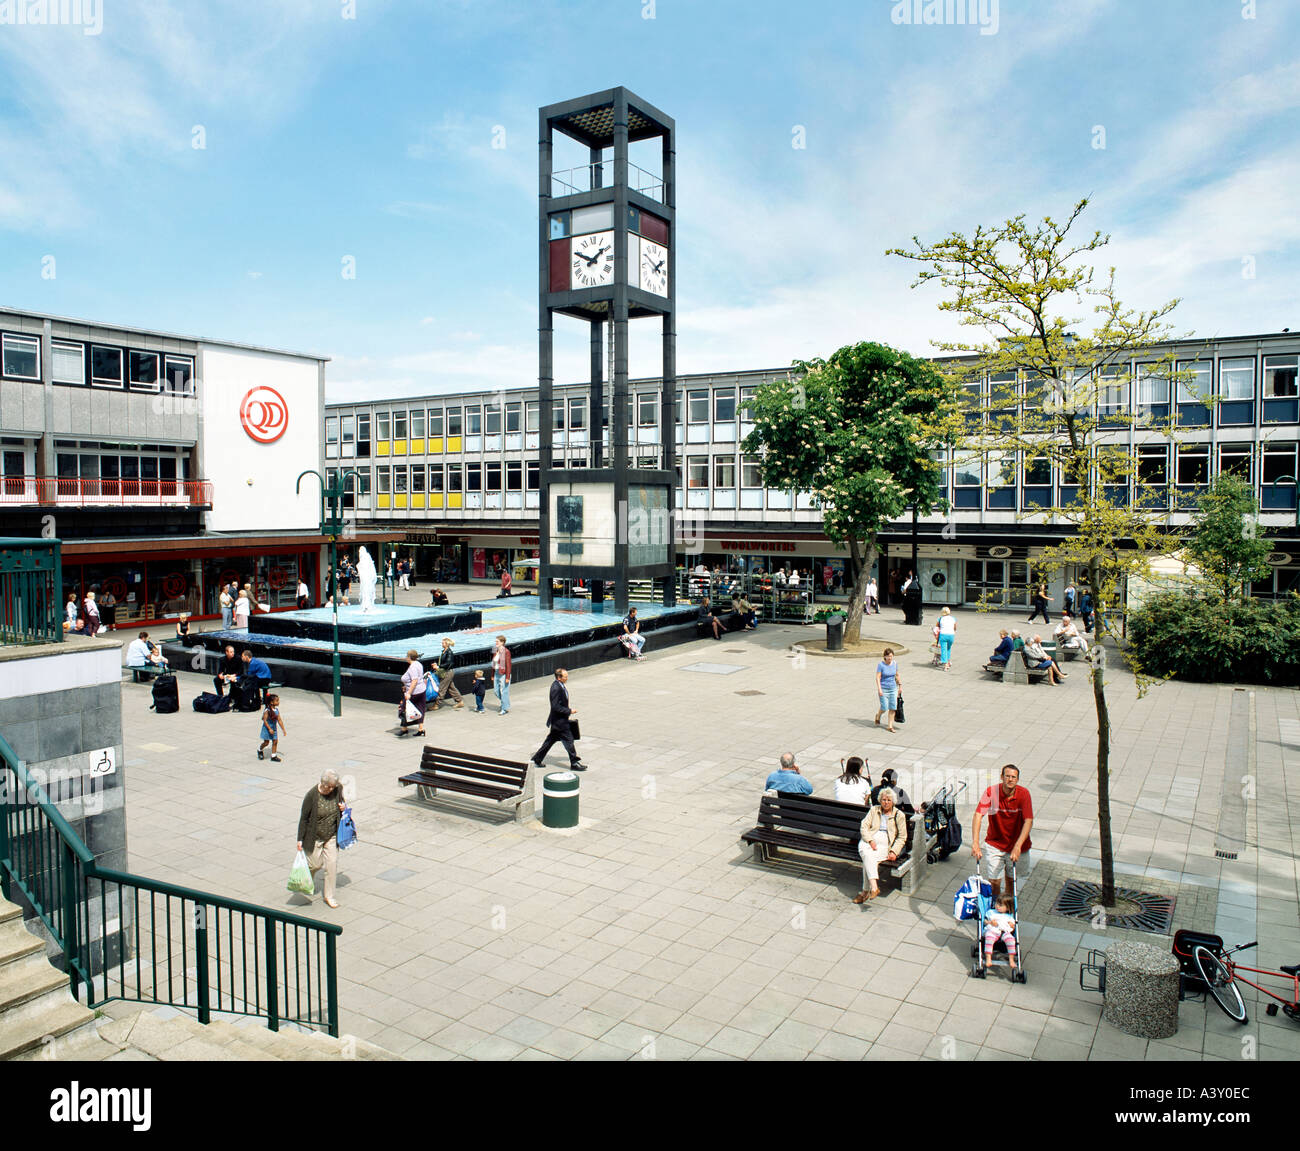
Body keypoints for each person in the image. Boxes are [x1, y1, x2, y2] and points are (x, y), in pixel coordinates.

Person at [972, 764, 1034, 901]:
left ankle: (1007, 909)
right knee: (994, 881)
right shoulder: (991, 792)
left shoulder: (1024, 794)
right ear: (1002, 777)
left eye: (1013, 777)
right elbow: (978, 815)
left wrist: (1018, 846)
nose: (1010, 780)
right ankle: (995, 905)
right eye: (1007, 776)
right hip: (996, 843)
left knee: (1012, 881)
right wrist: (975, 843)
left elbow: (1028, 821)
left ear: (1017, 780)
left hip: (1017, 845)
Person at [296, 769, 345, 908]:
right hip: (315, 836)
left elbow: (342, 804)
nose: (331, 789)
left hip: (331, 835)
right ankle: (305, 880)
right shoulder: (312, 795)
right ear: (322, 783)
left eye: (333, 787)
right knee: (315, 864)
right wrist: (300, 839)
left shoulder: (337, 788)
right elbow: (304, 819)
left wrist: (343, 808)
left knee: (331, 865)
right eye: (328, 787)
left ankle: (329, 896)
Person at [853, 787, 908, 903]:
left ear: (893, 801)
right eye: (883, 800)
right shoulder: (874, 810)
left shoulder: (899, 815)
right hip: (870, 838)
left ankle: (865, 891)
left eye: (888, 800)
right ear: (880, 800)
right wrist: (870, 840)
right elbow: (864, 826)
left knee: (868, 858)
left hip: (885, 841)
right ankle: (874, 888)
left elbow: (902, 837)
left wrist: (894, 851)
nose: (886, 802)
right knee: (865, 851)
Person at [531, 667, 587, 772]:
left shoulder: (560, 685)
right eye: (565, 677)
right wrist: (569, 711)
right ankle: (574, 762)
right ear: (559, 677)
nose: (567, 678)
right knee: (569, 740)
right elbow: (555, 706)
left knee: (550, 740)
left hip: (558, 721)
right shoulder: (556, 688)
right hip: (560, 722)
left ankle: (537, 759)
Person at [983, 894, 1019, 973]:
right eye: (996, 903)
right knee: (989, 938)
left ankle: (1011, 959)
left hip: (1004, 932)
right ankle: (988, 958)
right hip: (992, 931)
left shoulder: (1009, 916)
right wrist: (990, 922)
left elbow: (1012, 928)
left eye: (1000, 905)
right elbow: (984, 921)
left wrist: (1012, 926)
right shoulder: (991, 912)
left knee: (1011, 940)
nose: (997, 906)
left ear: (1007, 907)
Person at [430, 637, 464, 710]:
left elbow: (449, 663)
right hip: (447, 672)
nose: (442, 644)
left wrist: (438, 666)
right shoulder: (444, 651)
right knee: (451, 688)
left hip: (447, 673)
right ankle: (460, 701)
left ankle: (436, 705)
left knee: (442, 688)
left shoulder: (449, 652)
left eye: (443, 643)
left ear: (447, 644)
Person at [399, 649, 427, 736]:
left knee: (403, 709)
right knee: (420, 708)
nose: (406, 658)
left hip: (414, 692)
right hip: (422, 690)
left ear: (409, 657)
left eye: (406, 656)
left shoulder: (412, 667)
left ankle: (404, 729)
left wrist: (409, 693)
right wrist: (406, 686)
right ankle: (421, 730)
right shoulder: (418, 664)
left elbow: (414, 680)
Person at [874, 648, 901, 732]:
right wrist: (879, 689)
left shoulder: (895, 664)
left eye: (891, 656)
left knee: (893, 707)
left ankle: (890, 726)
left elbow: (897, 675)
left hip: (893, 688)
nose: (890, 658)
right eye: (888, 656)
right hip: (884, 688)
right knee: (884, 707)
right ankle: (878, 715)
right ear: (884, 657)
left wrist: (900, 686)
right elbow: (878, 677)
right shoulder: (881, 665)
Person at [258, 693, 287, 762]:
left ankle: (273, 756)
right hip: (267, 729)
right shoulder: (267, 710)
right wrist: (269, 728)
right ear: (271, 702)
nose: (278, 702)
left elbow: (279, 720)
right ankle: (260, 750)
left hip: (274, 729)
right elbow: (264, 720)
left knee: (275, 741)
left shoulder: (276, 710)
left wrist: (283, 729)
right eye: (276, 701)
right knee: (266, 742)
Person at [492, 635, 512, 716]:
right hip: (497, 672)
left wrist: (507, 677)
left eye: (497, 641)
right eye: (495, 641)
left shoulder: (506, 651)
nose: (496, 643)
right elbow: (493, 663)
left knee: (504, 692)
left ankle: (504, 708)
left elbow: (508, 665)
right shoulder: (494, 650)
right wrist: (492, 674)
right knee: (496, 691)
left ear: (502, 642)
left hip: (503, 674)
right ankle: (505, 703)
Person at [936, 605, 957, 670]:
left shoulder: (940, 619)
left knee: (943, 650)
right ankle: (948, 661)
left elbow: (937, 627)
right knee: (948, 648)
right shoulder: (953, 618)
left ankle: (945, 664)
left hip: (943, 635)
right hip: (951, 635)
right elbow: (955, 628)